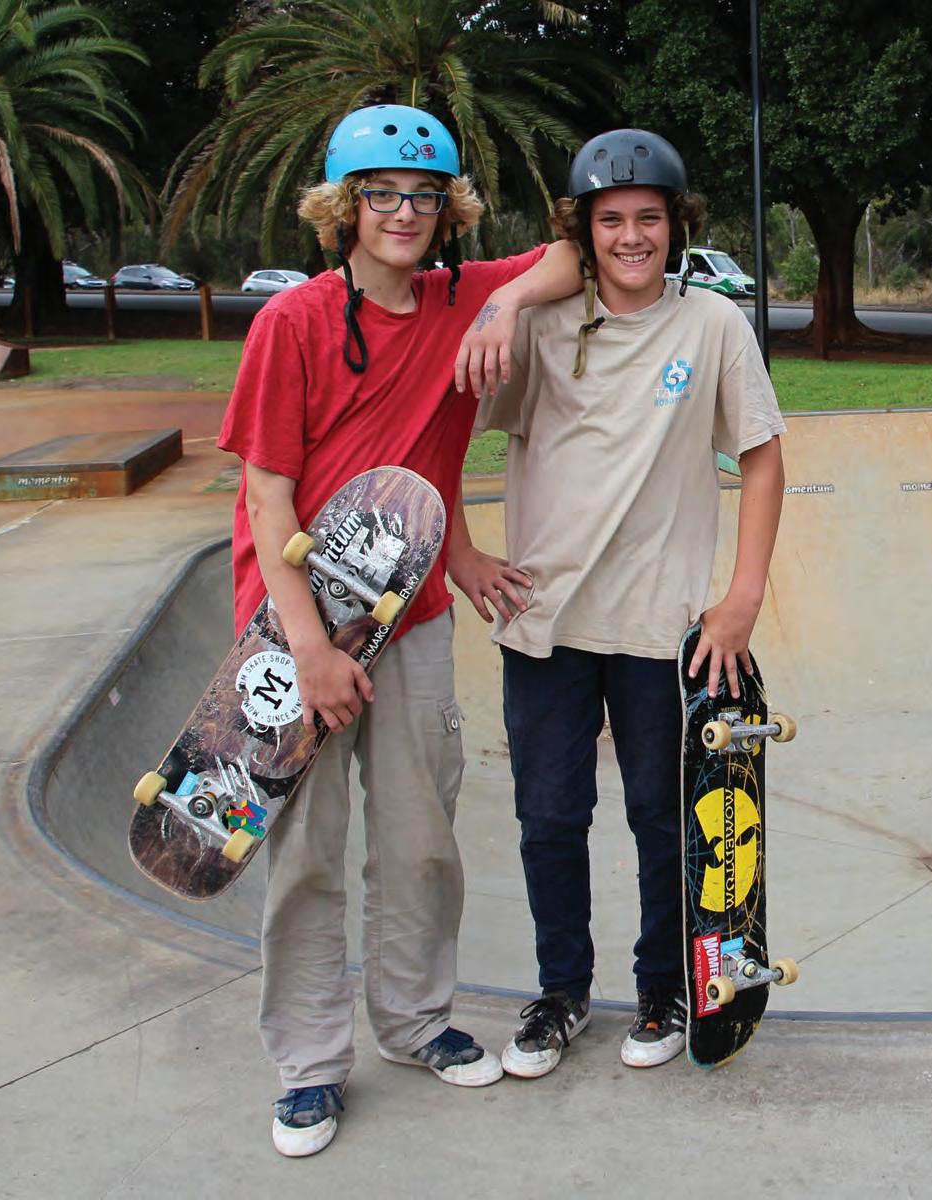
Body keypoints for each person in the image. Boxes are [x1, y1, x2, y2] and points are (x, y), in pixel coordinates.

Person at [218, 103, 580, 1158]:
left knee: (421, 837)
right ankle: (307, 1063)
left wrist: (501, 303)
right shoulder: (292, 324)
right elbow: (266, 496)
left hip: (408, 617)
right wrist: (310, 649)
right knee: (307, 851)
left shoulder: (461, 300)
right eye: (381, 194)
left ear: (448, 209)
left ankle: (416, 1022)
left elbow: (570, 253)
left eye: (425, 196)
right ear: (344, 208)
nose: (404, 214)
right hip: (291, 623)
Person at [463, 128, 786, 1078]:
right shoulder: (537, 326)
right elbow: (438, 430)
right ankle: (561, 993)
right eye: (611, 221)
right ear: (582, 231)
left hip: (661, 625)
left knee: (661, 817)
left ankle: (661, 990)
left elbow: (763, 456)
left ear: (677, 224)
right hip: (544, 620)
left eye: (650, 218)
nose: (632, 237)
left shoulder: (712, 324)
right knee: (549, 818)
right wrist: (459, 554)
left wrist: (742, 598)